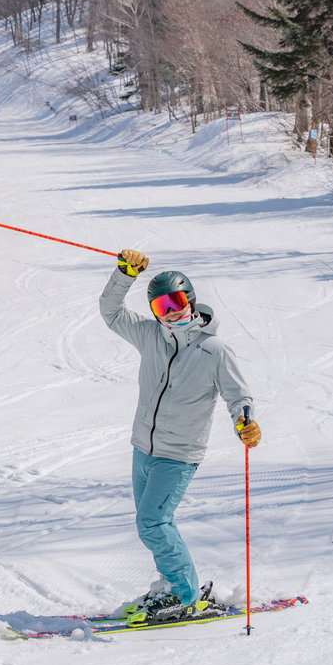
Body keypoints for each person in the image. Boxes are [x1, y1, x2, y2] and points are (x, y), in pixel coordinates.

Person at [99, 249, 262, 624]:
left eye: (176, 301)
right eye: (161, 306)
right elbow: (111, 312)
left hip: (179, 454)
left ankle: (184, 595)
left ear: (189, 299)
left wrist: (245, 422)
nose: (170, 311)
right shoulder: (150, 336)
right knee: (152, 522)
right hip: (143, 448)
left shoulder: (213, 350)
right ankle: (173, 583)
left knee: (153, 522)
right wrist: (125, 275)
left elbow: (239, 396)